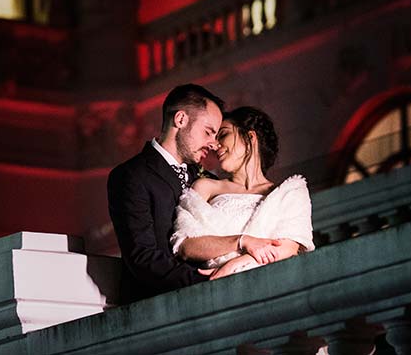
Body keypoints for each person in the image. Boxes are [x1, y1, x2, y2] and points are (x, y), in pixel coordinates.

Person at [107, 83, 224, 299]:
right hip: (156, 305)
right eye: (208, 132)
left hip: (214, 299)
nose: (214, 144)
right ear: (180, 119)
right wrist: (206, 279)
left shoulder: (209, 180)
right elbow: (142, 257)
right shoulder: (131, 175)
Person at [171, 106, 314, 281]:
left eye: (223, 135)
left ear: (249, 137)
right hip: (213, 288)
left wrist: (232, 266)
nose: (215, 145)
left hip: (270, 283)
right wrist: (243, 241)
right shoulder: (205, 187)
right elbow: (185, 245)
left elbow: (286, 249)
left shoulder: (290, 192)